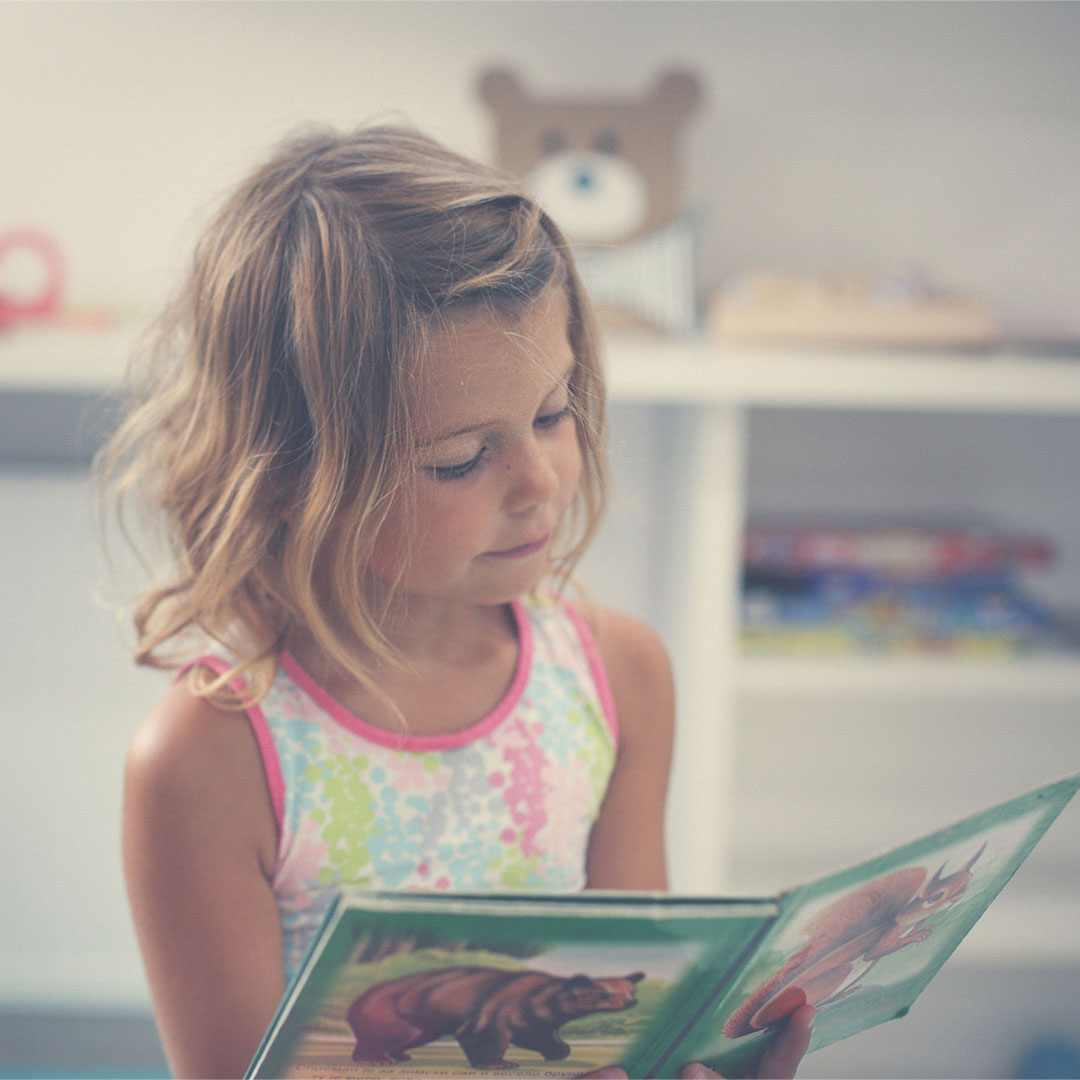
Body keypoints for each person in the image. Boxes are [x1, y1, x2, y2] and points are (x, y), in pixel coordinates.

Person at [105, 124, 811, 1079]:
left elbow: (617, 1028)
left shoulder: (619, 678)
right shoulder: (209, 756)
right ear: (287, 475)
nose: (541, 482)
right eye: (460, 459)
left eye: (555, 413)